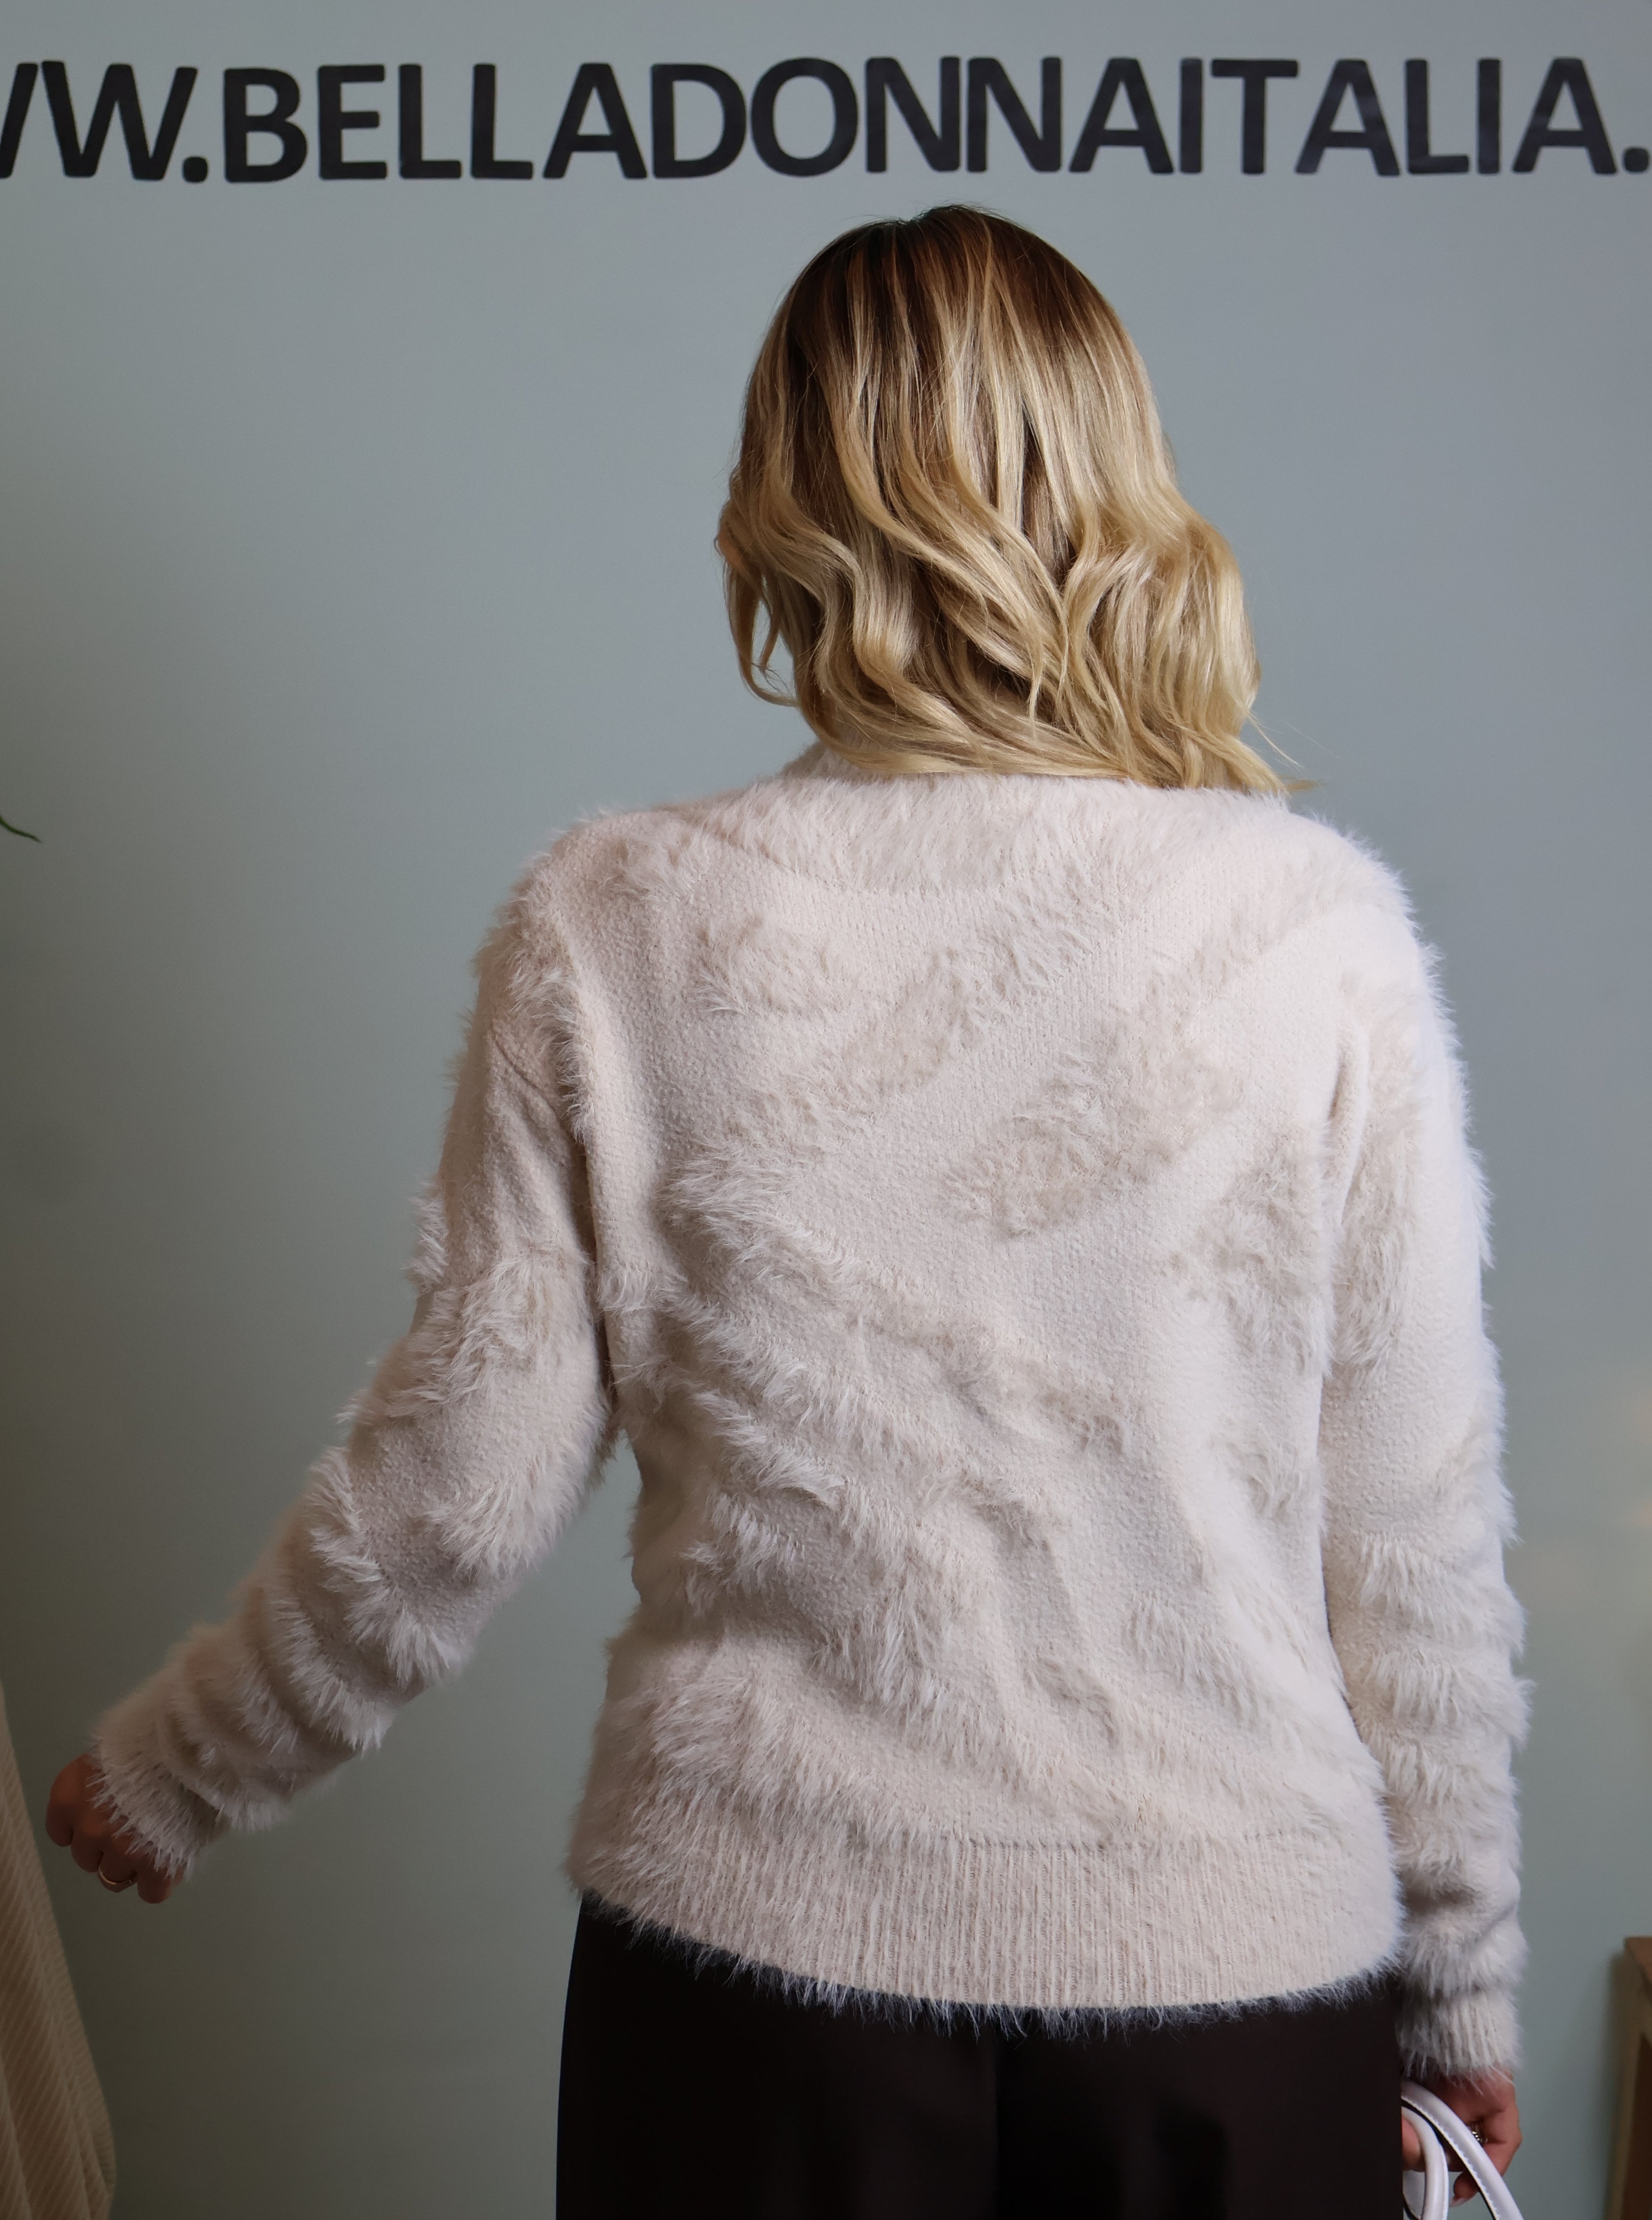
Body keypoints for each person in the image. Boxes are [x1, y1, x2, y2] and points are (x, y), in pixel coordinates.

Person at [46, 208, 1524, 2216]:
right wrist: (1461, 1983)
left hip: (751, 2009)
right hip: (1236, 2002)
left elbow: (454, 1485)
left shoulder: (617, 920)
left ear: (783, 501)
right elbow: (1413, 1532)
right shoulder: (1317, 934)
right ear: (1119, 478)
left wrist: (179, 1766)